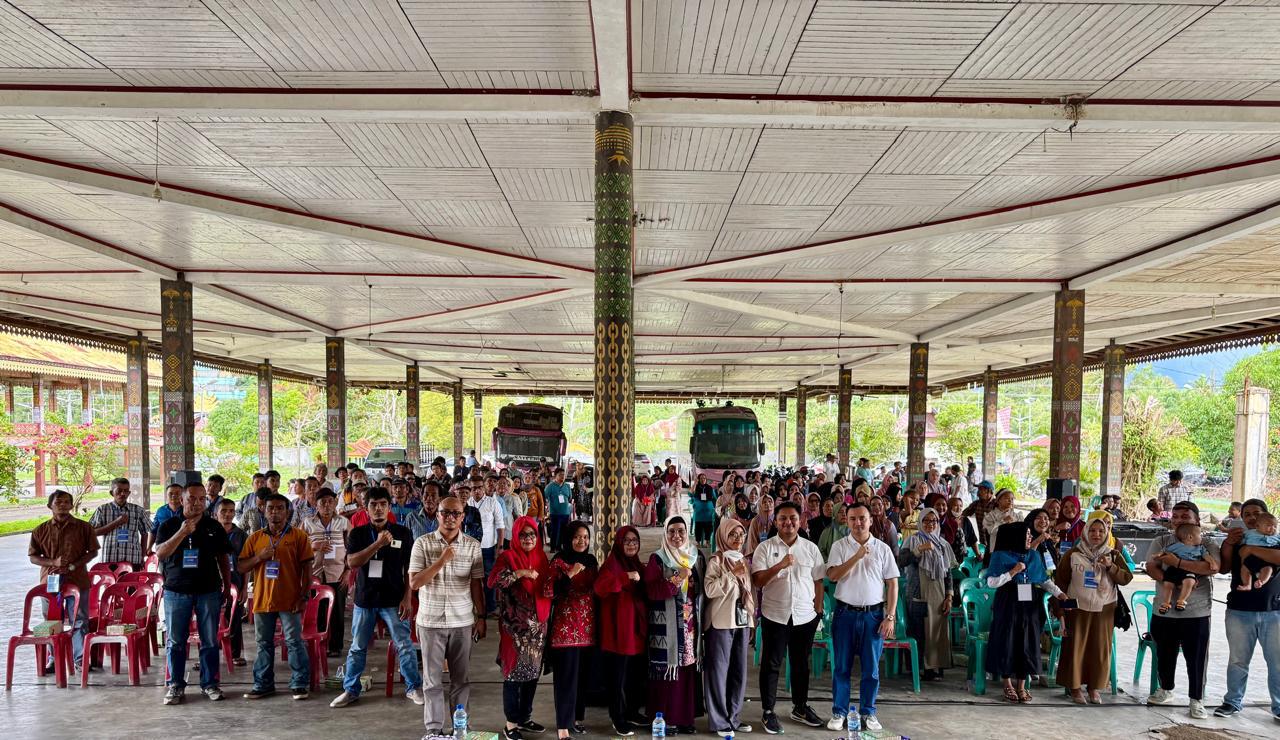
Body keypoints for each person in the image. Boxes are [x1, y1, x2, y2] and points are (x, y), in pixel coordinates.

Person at [329, 487, 422, 709]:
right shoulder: (358, 534)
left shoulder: (402, 533)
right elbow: (352, 563)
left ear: (389, 507)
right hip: (365, 599)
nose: (378, 509)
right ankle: (351, 690)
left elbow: (410, 567)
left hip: (394, 598)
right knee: (358, 647)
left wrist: (408, 597)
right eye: (373, 505)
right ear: (366, 508)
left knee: (405, 645)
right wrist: (378, 544)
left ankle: (413, 687)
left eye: (382, 504)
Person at [408, 495, 487, 736]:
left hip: (462, 620)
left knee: (460, 679)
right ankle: (433, 729)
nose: (450, 518)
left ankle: (460, 726)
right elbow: (414, 583)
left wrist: (481, 616)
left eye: (456, 513)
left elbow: (476, 584)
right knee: (431, 681)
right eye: (445, 513)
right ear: (437, 515)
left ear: (463, 517)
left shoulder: (473, 545)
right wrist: (441, 561)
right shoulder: (422, 543)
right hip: (430, 621)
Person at [154, 478, 233, 704]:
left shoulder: (213, 526)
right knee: (176, 641)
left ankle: (210, 684)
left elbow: (223, 559)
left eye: (201, 499)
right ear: (181, 499)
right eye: (192, 499)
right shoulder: (168, 525)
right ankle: (176, 685)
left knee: (209, 640)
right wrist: (181, 532)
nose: (197, 503)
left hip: (208, 591)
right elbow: (160, 553)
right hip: (176, 592)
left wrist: (227, 587)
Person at [751, 501, 826, 732]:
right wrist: (780, 566)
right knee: (771, 664)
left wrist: (818, 609)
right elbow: (758, 581)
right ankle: (768, 711)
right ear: (776, 522)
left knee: (801, 664)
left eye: (792, 518)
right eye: (782, 518)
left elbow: (818, 580)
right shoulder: (764, 549)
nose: (788, 522)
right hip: (775, 614)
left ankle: (800, 707)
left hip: (804, 616)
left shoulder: (810, 548)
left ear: (800, 520)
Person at [825, 502, 900, 733]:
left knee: (871, 668)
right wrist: (856, 556)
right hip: (845, 614)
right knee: (842, 666)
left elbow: (892, 583)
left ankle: (869, 712)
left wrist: (890, 616)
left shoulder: (882, 548)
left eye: (862, 518)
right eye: (853, 519)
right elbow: (833, 576)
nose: (858, 523)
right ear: (846, 521)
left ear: (870, 519)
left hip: (874, 616)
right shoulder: (839, 546)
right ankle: (839, 711)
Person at [1144, 500, 1220, 719]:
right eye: (1175, 517)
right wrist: (1175, 582)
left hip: (1196, 611)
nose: (1178, 521)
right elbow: (1151, 567)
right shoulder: (1162, 541)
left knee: (1195, 658)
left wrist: (1177, 564)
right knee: (1165, 653)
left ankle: (1196, 699)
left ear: (1196, 520)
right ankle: (1165, 689)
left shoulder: (1206, 543)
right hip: (1164, 609)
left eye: (1184, 517)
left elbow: (1211, 567)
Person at [238, 493, 314, 700]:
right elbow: (241, 566)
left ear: (287, 511)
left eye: (280, 508)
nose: (275, 512)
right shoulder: (255, 538)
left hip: (290, 600)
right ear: (263, 510)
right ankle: (263, 684)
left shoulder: (299, 536)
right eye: (271, 508)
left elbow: (307, 569)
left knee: (294, 642)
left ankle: (299, 683)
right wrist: (259, 557)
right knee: (263, 644)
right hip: (263, 600)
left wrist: (303, 596)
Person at [1054, 511, 1132, 703]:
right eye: (1093, 530)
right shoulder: (1073, 554)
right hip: (1077, 607)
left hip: (1104, 608)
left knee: (1099, 649)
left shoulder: (1113, 554)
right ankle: (1074, 688)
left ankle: (1094, 688)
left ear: (1107, 533)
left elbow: (1126, 578)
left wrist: (1110, 567)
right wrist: (1060, 610)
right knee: (1075, 647)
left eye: (1101, 531)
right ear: (1086, 532)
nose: (1096, 534)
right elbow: (1060, 582)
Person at [1214, 498, 1280, 720]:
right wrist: (1230, 544)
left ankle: (1279, 706)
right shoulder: (1238, 539)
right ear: (1241, 518)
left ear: (1266, 516)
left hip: (1274, 611)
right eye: (1247, 514)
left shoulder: (1275, 538)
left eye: (1256, 513)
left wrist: (1251, 549)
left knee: (1277, 661)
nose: (1252, 517)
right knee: (1238, 660)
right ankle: (1232, 701)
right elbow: (1223, 568)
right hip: (1240, 611)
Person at [986, 522, 1065, 703]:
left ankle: (1022, 685)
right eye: (1026, 535)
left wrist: (1058, 593)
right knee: (1007, 640)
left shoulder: (1033, 556)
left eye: (1030, 535)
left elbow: (1043, 579)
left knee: (1027, 640)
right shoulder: (1000, 556)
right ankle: (1007, 684)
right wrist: (1013, 572)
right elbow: (991, 582)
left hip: (1029, 601)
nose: (1030, 538)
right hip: (1007, 600)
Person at [486, 516, 551, 740]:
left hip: (538, 628)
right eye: (523, 535)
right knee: (513, 675)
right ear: (515, 536)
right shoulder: (508, 557)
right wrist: (519, 573)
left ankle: (525, 718)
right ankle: (511, 724)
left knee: (532, 673)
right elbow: (493, 581)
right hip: (515, 630)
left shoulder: (541, 557)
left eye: (532, 534)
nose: (528, 539)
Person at [644, 516, 704, 736]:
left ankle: (685, 719)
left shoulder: (695, 557)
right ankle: (664, 719)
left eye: (681, 531)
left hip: (689, 625)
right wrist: (677, 578)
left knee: (687, 671)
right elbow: (651, 591)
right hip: (665, 626)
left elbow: (700, 590)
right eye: (671, 532)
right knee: (666, 673)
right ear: (665, 534)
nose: (676, 536)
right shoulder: (657, 559)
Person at [28, 490, 98, 674]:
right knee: (51, 621)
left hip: (78, 580)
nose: (63, 505)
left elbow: (92, 552)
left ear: (72, 505)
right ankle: (53, 658)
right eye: (59, 502)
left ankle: (80, 659)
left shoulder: (84, 527)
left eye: (67, 502)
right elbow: (33, 557)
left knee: (80, 620)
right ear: (50, 505)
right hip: (50, 582)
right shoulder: (40, 530)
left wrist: (73, 566)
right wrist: (53, 563)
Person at [703, 518, 754, 737]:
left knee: (738, 672)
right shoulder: (717, 560)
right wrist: (731, 574)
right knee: (718, 672)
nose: (738, 539)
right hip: (721, 623)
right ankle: (719, 721)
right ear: (723, 536)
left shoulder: (743, 559)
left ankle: (733, 717)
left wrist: (752, 619)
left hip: (741, 621)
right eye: (732, 535)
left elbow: (748, 593)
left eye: (741, 535)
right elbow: (709, 589)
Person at [595, 526, 648, 737]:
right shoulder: (612, 564)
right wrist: (625, 577)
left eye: (634, 540)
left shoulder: (636, 563)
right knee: (617, 678)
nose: (631, 544)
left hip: (635, 630)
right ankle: (618, 717)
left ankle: (632, 712)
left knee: (634, 675)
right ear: (618, 543)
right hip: (618, 633)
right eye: (626, 540)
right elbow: (600, 588)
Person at [547, 522, 597, 738]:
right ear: (569, 538)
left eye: (585, 537)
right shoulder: (559, 560)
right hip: (565, 630)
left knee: (582, 678)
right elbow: (550, 591)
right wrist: (570, 574)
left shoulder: (591, 561)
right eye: (577, 537)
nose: (582, 541)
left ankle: (576, 719)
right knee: (565, 678)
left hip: (587, 629)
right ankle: (563, 726)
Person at [898, 509, 955, 681]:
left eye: (934, 521)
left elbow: (948, 572)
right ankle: (918, 667)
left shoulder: (943, 544)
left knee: (937, 631)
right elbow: (901, 561)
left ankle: (935, 667)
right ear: (920, 522)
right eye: (926, 521)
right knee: (919, 631)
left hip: (938, 592)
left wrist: (949, 596)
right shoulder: (912, 540)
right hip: (918, 593)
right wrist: (918, 551)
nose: (930, 524)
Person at [301, 489, 349, 657]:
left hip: (338, 573)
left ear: (335, 503)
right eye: (322, 502)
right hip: (315, 574)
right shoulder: (308, 523)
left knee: (337, 612)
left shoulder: (343, 522)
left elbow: (352, 549)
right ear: (316, 504)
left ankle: (335, 647)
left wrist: (348, 571)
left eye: (330, 501)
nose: (326, 505)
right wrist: (314, 546)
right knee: (318, 611)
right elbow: (299, 547)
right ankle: (318, 643)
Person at [213, 498, 249, 667]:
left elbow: (245, 563)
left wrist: (244, 588)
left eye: (231, 511)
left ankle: (235, 654)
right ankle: (209, 654)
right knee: (210, 620)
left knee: (234, 618)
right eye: (223, 511)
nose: (227, 514)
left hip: (235, 582)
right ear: (215, 514)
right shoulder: (209, 532)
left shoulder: (241, 535)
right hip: (212, 583)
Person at [89, 477, 152, 569]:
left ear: (129, 493)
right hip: (109, 559)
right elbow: (92, 532)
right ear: (112, 493)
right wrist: (116, 523)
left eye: (126, 491)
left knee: (132, 583)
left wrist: (142, 556)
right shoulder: (103, 510)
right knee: (110, 583)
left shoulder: (138, 510)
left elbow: (144, 534)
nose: (123, 494)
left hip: (133, 559)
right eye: (119, 491)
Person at [464, 480, 505, 616]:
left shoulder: (492, 502)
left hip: (488, 548)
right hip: (469, 549)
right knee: (469, 579)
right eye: (474, 488)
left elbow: (500, 526)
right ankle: (472, 608)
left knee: (489, 579)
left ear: (484, 488)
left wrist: (499, 547)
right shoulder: (467, 503)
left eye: (479, 487)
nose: (477, 490)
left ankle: (491, 607)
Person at [1152, 523, 1209, 612]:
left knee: (1189, 582)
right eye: (1200, 535)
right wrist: (1158, 555)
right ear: (1190, 537)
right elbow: (1165, 551)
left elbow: (1207, 556)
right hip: (1174, 569)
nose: (1201, 537)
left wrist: (1212, 562)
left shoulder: (1200, 548)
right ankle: (1166, 602)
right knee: (1168, 584)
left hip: (1188, 569)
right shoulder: (1177, 546)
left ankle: (1182, 600)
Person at [1238, 513, 1280, 591]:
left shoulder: (1277, 536)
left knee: (1268, 569)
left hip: (1269, 556)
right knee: (1245, 568)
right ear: (1257, 526)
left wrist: (1250, 549)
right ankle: (1247, 584)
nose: (1273, 528)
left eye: (1275, 526)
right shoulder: (1250, 533)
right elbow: (1242, 542)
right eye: (1269, 525)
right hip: (1253, 557)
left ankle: (1261, 581)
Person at [544, 468, 573, 548]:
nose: (562, 477)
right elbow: (544, 497)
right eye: (560, 475)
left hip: (565, 513)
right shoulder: (550, 486)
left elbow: (570, 498)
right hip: (554, 513)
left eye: (563, 475)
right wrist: (546, 508)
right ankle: (553, 547)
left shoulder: (567, 486)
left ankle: (559, 547)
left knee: (563, 531)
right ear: (555, 476)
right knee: (555, 531)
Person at [690, 473, 716, 546]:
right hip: (699, 512)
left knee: (708, 526)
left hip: (708, 512)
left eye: (704, 478)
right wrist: (695, 483)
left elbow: (714, 498)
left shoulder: (710, 488)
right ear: (698, 479)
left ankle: (707, 541)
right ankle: (698, 542)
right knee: (698, 527)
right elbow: (690, 494)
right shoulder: (696, 487)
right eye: (701, 478)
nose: (703, 479)